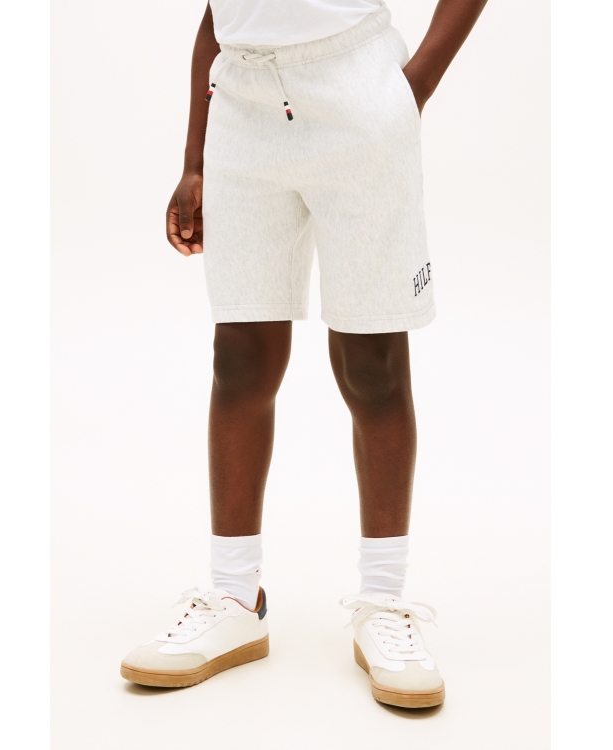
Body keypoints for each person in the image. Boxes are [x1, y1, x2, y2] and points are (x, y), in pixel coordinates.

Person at [120, 0, 487, 709]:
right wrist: (193, 161)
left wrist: (410, 90)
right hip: (241, 113)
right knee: (238, 356)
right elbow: (216, 17)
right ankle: (235, 596)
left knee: (372, 362)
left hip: (358, 94)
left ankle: (383, 601)